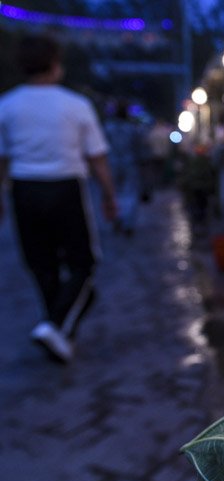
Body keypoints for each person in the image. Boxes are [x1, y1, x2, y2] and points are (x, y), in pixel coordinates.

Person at [0, 35, 117, 363]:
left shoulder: (6, 105)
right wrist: (109, 196)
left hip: (23, 190)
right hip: (65, 189)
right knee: (84, 263)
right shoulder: (75, 105)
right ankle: (55, 325)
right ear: (55, 64)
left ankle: (56, 329)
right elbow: (97, 158)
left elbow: (1, 159)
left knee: (42, 264)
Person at [104, 99, 142, 236]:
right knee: (129, 193)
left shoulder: (108, 128)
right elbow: (139, 147)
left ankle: (118, 218)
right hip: (129, 163)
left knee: (115, 192)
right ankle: (127, 221)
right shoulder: (132, 129)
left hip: (112, 163)